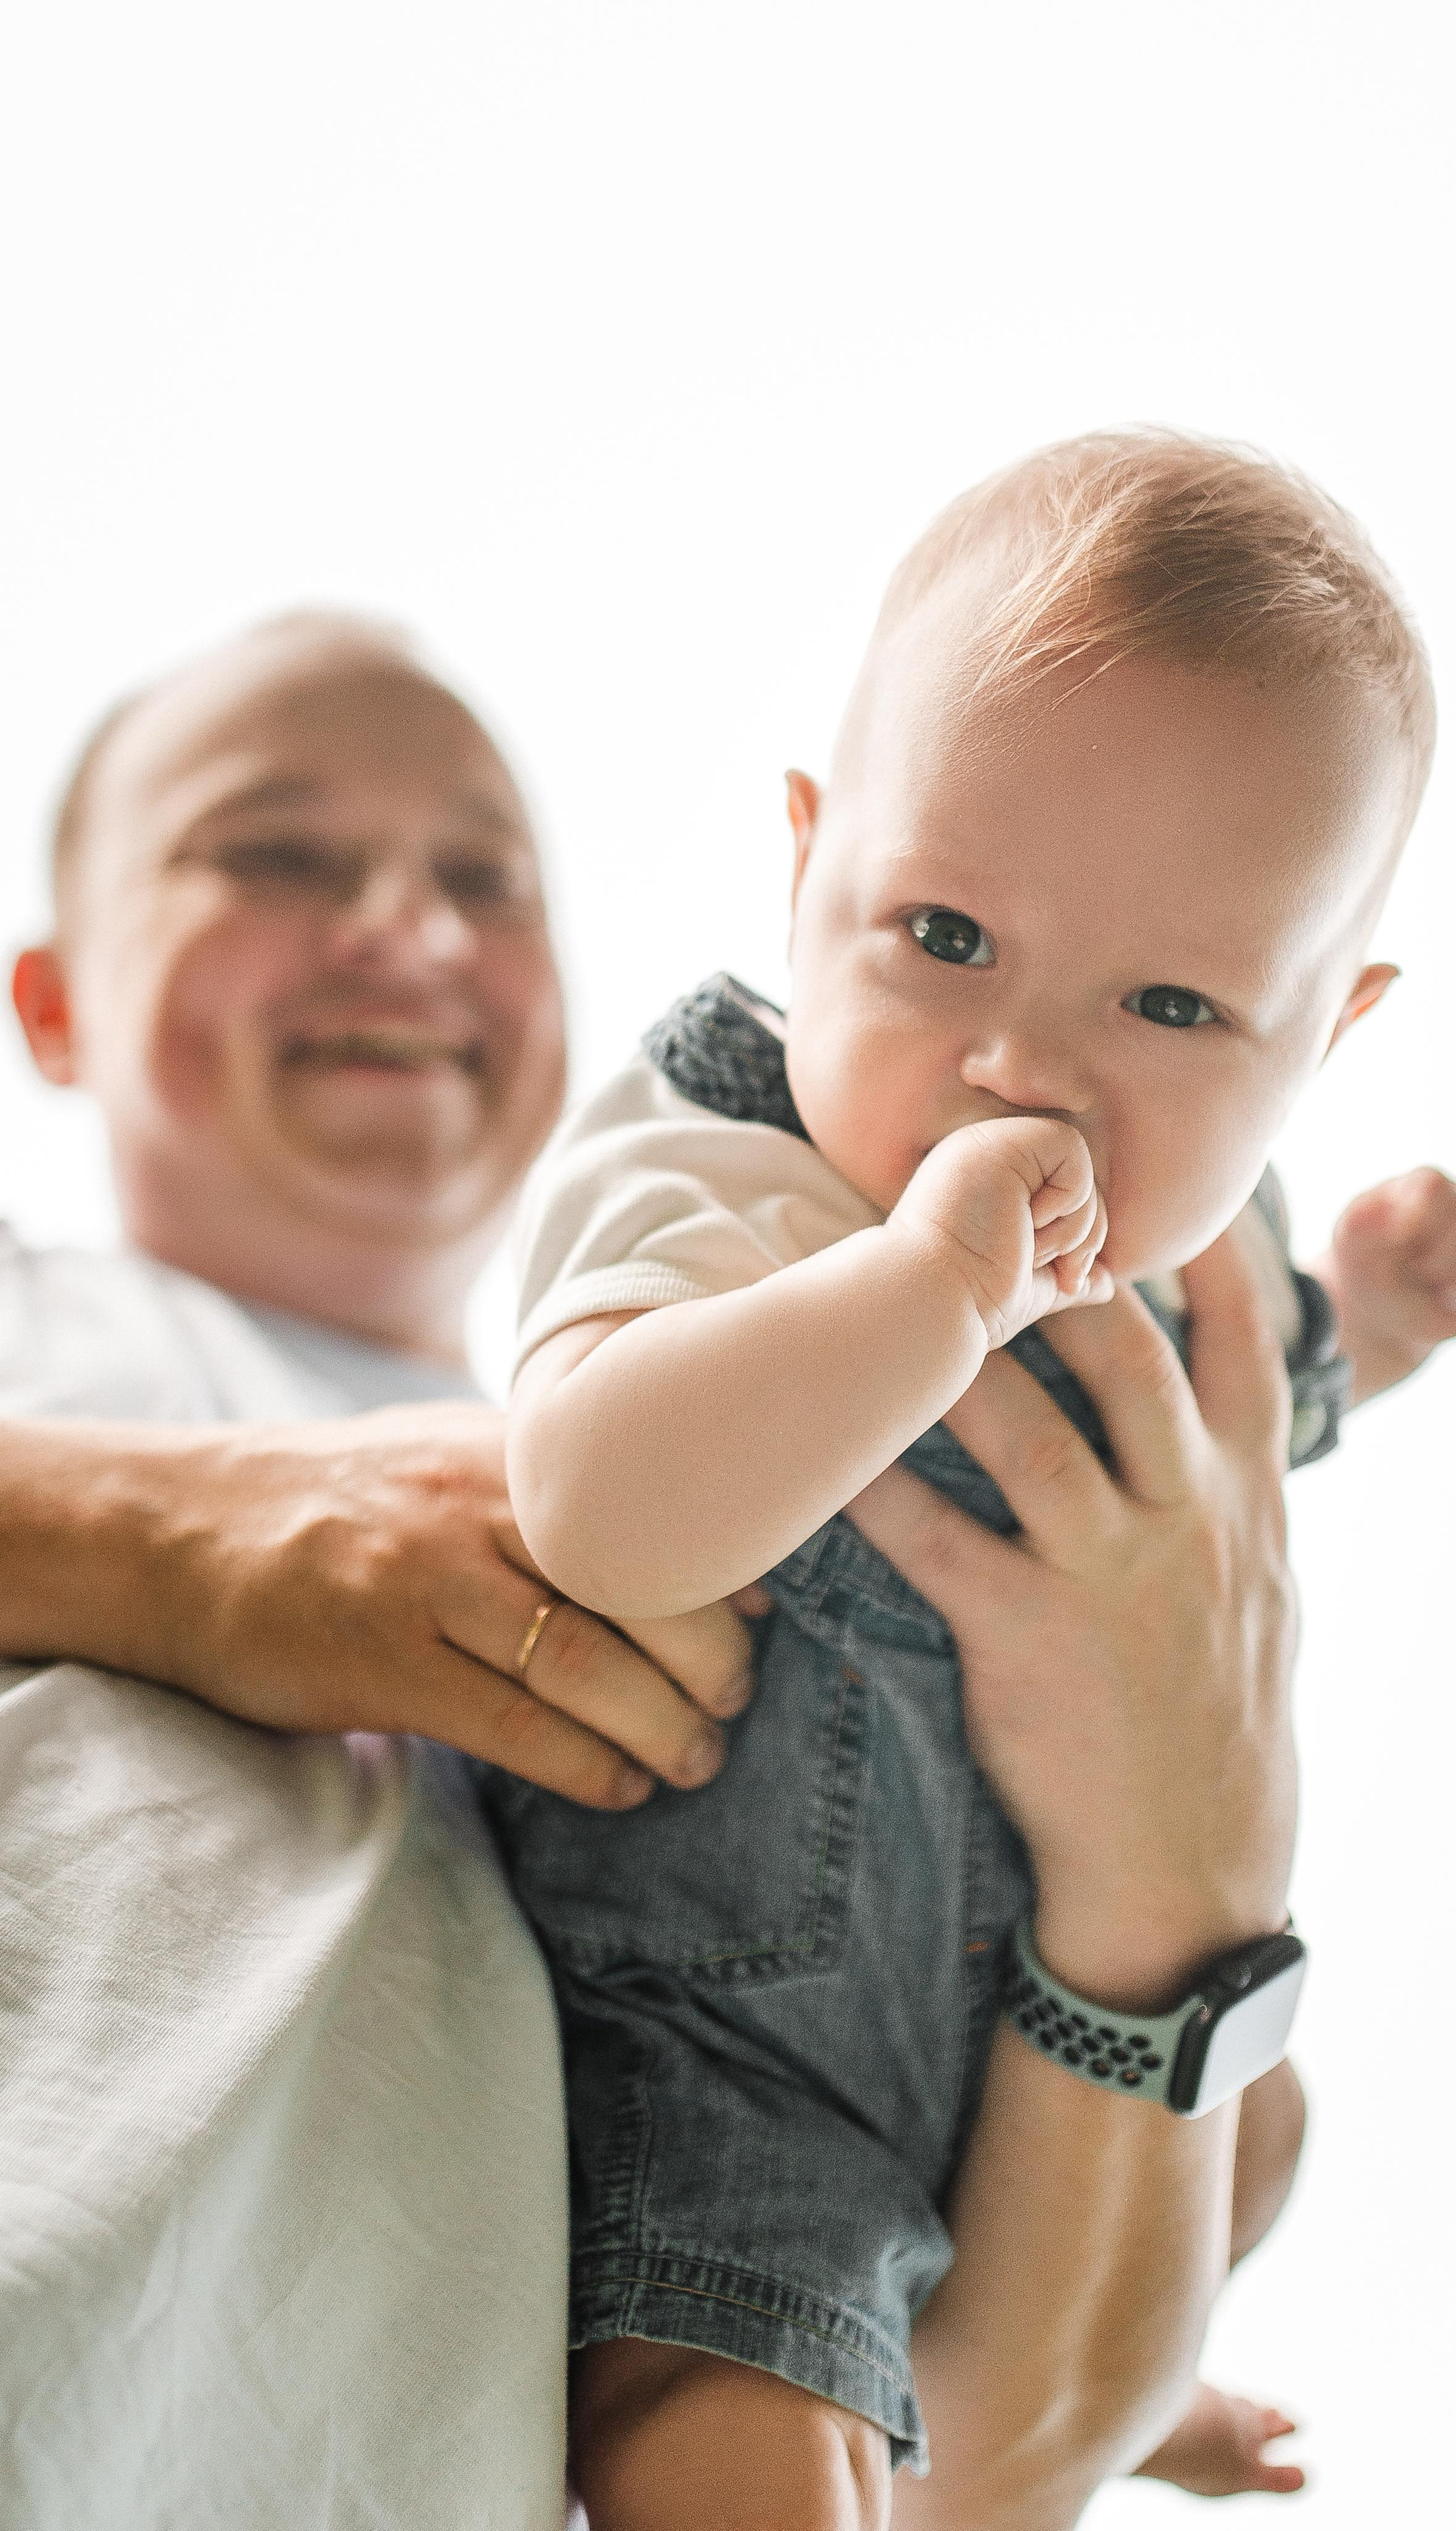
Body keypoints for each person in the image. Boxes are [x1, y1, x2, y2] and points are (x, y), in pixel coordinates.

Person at [1, 606, 1322, 2531]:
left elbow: (993, 2458)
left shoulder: (825, 1483)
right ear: (48, 1001)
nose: (417, 928)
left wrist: (1184, 1885)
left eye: (490, 879)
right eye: (275, 852)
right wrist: (161, 1545)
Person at [494, 432, 1456, 2530]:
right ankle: (989, 2393)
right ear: (807, 876)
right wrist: (921, 1293)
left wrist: (1372, 1315)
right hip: (730, 2070)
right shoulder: (729, 1166)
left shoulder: (1197, 1252)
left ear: (1325, 1041)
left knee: (1271, 2129)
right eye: (944, 935)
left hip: (1010, 2070)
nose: (1026, 1068)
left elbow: (1280, 1407)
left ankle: (1124, 2379)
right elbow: (599, 1504)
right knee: (746, 2429)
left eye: (1171, 1004)